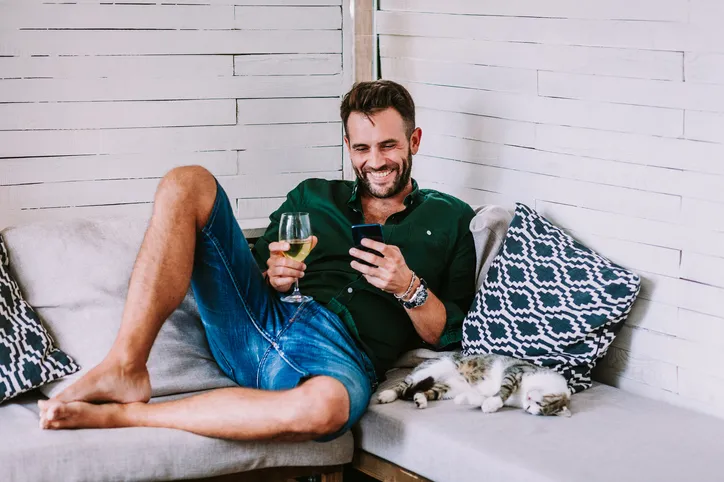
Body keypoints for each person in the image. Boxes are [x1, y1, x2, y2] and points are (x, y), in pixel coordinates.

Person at [38, 80, 476, 442]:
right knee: (187, 181)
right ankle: (125, 365)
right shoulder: (311, 195)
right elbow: (259, 268)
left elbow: (449, 336)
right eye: (362, 148)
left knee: (325, 407)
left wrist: (409, 288)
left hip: (338, 355)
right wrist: (275, 275)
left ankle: (126, 416)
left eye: (388, 146)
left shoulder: (452, 218)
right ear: (347, 145)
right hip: (255, 320)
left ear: (414, 141)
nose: (375, 161)